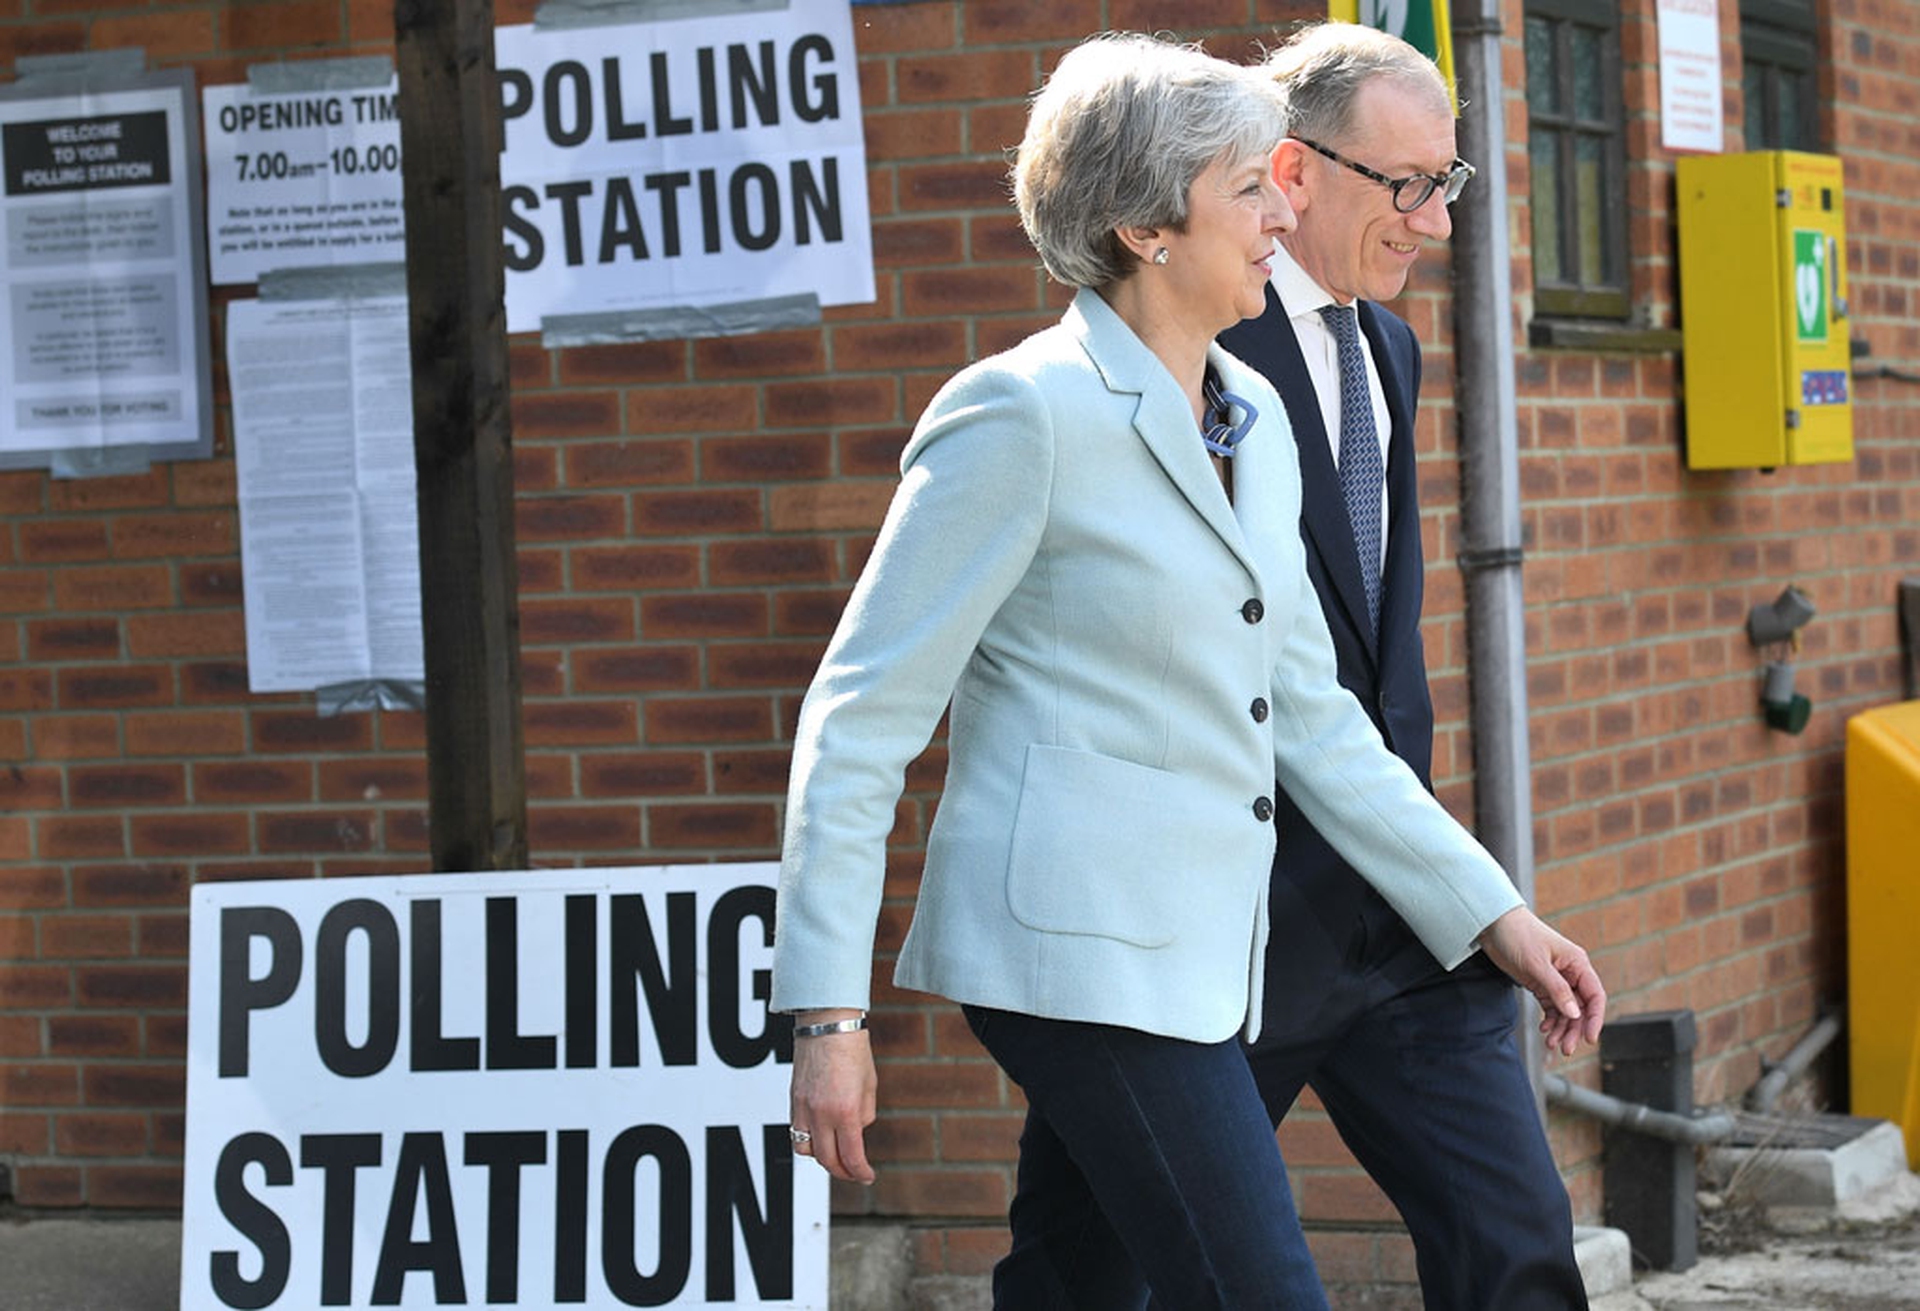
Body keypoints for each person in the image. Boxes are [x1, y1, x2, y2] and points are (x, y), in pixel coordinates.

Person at [773, 31, 1604, 1310]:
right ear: (1146, 226)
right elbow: (859, 718)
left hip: (1206, 951)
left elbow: (1316, 715)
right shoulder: (1019, 413)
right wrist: (827, 1019)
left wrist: (1493, 908)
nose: (1282, 209)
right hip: (1079, 954)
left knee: (1077, 1279)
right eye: (1246, 189)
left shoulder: (1247, 419)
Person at [1219, 21, 1595, 1309]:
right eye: (1411, 186)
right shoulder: (1192, 346)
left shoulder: (1391, 349)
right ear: (1294, 171)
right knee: (1107, 1266)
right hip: (1232, 928)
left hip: (1401, 908)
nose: (1435, 224)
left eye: (1449, 185)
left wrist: (1473, 898)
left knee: (1519, 1241)